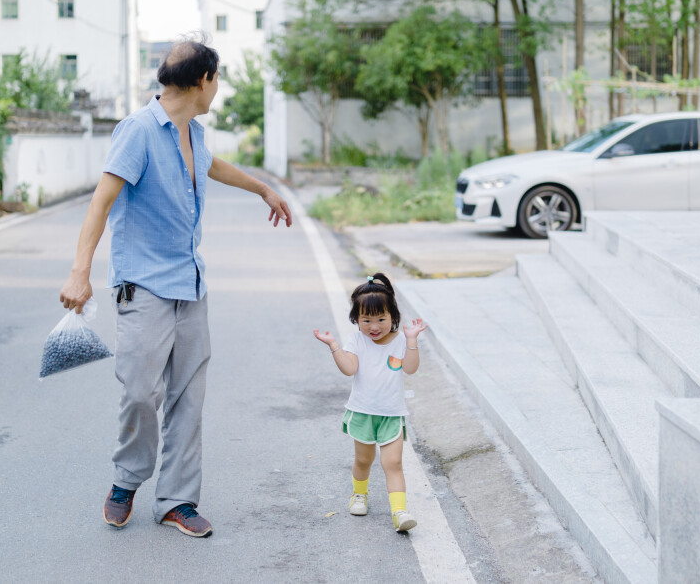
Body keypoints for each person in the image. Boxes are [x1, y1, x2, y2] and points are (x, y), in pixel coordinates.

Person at [59, 35, 293, 537]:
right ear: (202, 80)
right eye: (217, 80)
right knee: (141, 391)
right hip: (143, 285)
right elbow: (100, 202)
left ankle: (177, 501)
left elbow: (212, 166)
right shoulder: (139, 131)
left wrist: (264, 190)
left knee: (189, 396)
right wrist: (81, 271)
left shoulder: (193, 133)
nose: (217, 90)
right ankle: (127, 479)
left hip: (190, 284)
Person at [312, 273, 428, 533]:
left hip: (391, 415)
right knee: (364, 460)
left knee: (393, 463)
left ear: (393, 316)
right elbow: (349, 368)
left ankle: (399, 511)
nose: (374, 326)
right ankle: (359, 495)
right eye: (366, 320)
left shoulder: (400, 341)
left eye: (381, 319)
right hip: (363, 412)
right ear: (356, 319)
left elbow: (410, 368)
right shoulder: (356, 340)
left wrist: (411, 341)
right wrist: (334, 346)